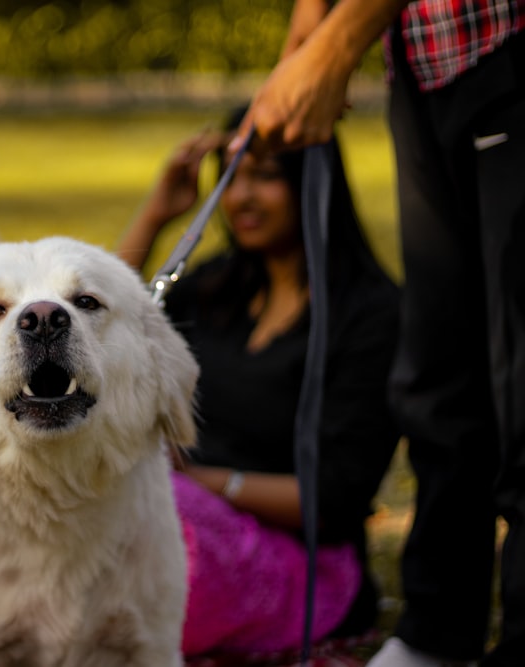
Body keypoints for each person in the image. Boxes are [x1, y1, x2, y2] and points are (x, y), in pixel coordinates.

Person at [235, 1, 524, 665]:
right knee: (440, 378)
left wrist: (336, 46)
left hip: (505, 39)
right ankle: (435, 633)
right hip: (422, 66)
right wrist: (305, 42)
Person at [118, 105, 401, 656]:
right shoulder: (216, 289)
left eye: (264, 176)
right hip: (181, 517)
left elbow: (335, 499)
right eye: (231, 176)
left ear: (311, 181)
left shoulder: (371, 317)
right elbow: (102, 334)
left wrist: (203, 483)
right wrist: (157, 216)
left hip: (302, 562)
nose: (242, 196)